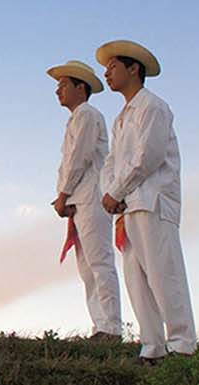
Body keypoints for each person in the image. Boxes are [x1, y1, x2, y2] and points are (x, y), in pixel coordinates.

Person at [95, 39, 196, 364]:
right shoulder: (121, 117)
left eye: (112, 67)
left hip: (152, 201)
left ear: (133, 68)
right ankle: (151, 346)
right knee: (136, 278)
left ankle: (181, 343)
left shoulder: (153, 107)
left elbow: (147, 157)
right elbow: (111, 162)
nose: (107, 73)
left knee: (163, 272)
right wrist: (111, 192)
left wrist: (117, 191)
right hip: (128, 204)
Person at [47, 59, 123, 342]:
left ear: (81, 87)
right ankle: (100, 325)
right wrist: (63, 195)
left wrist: (63, 194)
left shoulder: (88, 115)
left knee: (99, 261)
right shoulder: (76, 118)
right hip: (79, 200)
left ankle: (112, 327)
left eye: (63, 85)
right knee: (87, 268)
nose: (58, 91)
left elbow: (80, 157)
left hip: (90, 198)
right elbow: (68, 162)